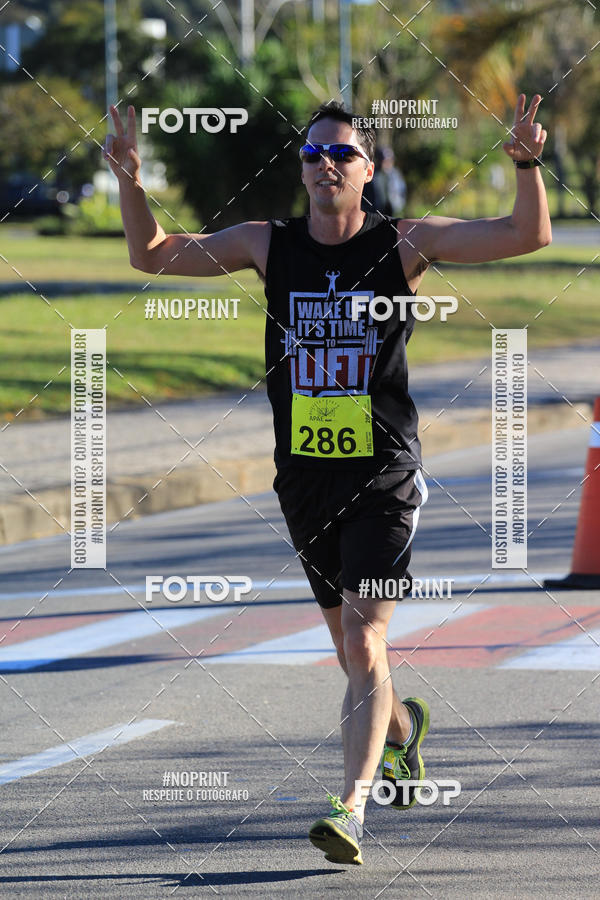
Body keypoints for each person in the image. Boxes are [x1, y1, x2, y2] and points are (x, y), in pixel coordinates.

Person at [103, 93, 550, 866]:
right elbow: (153, 254)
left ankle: (349, 808)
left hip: (384, 475)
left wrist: (526, 165)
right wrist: (132, 182)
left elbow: (526, 234)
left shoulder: (402, 243)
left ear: (369, 169)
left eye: (341, 153)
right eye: (312, 153)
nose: (324, 165)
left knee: (362, 633)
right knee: (355, 654)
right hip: (303, 479)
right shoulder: (268, 245)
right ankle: (405, 730)